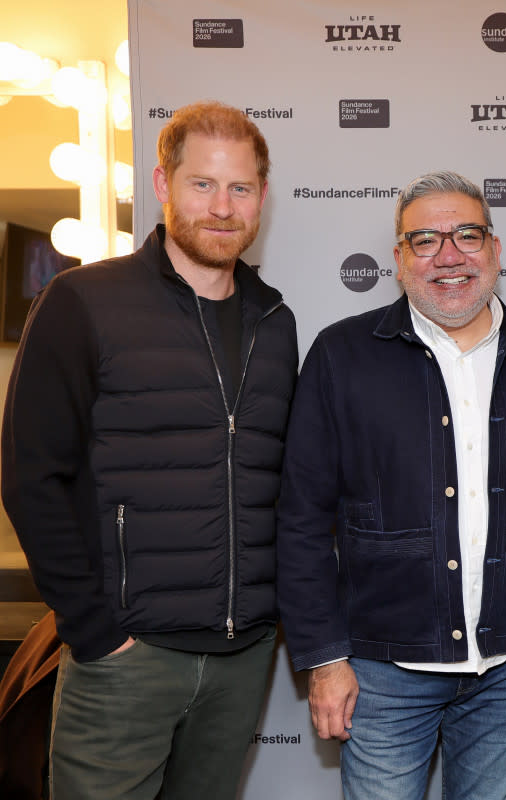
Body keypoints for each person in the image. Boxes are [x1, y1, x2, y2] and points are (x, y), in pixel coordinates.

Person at [1, 100, 297, 800]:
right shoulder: (82, 301)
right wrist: (94, 630)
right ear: (164, 186)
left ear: (262, 196)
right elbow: (30, 474)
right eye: (203, 184)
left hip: (242, 656)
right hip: (126, 657)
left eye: (241, 188)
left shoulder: (275, 321)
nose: (222, 207)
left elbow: (278, 482)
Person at [276, 171, 506, 800]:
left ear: (495, 250)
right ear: (398, 259)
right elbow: (302, 519)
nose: (449, 255)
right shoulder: (341, 354)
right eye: (425, 240)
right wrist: (324, 660)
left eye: (467, 235)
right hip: (381, 671)